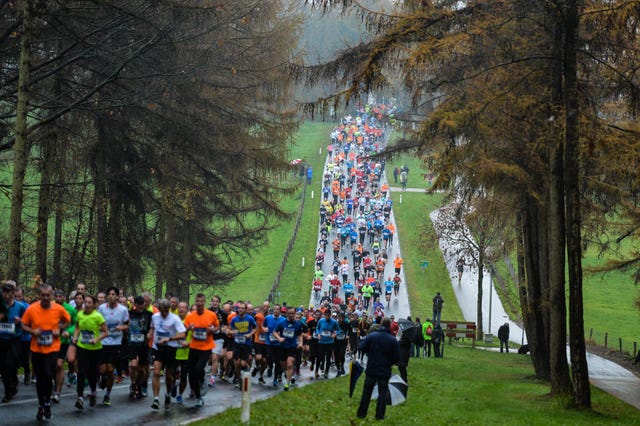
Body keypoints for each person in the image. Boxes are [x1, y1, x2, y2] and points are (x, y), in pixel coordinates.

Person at [21, 284, 71, 420]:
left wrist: (59, 329)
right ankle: (41, 405)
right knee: (40, 378)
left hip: (53, 348)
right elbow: (23, 324)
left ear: (52, 296)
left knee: (48, 375)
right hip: (36, 348)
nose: (45, 298)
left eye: (48, 295)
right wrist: (32, 331)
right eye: (43, 295)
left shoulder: (58, 309)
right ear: (39, 296)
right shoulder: (32, 309)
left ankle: (47, 403)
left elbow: (68, 320)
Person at [357, 317, 400, 420]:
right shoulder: (393, 340)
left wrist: (369, 352)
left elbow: (362, 347)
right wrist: (390, 362)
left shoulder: (372, 336)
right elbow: (397, 357)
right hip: (384, 370)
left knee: (366, 392)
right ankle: (379, 415)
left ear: (380, 324)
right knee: (382, 394)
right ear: (389, 325)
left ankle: (361, 413)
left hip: (372, 368)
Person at [148, 299, 186, 410]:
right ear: (159, 309)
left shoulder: (174, 319)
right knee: (156, 372)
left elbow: (183, 334)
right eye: (162, 311)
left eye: (166, 310)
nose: (164, 313)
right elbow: (152, 327)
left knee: (169, 375)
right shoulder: (155, 317)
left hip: (170, 348)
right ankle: (156, 399)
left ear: (168, 309)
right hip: (157, 347)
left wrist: (169, 338)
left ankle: (168, 394)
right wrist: (150, 334)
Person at [73, 294, 108, 410]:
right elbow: (77, 327)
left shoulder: (98, 316)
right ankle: (80, 397)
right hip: (82, 346)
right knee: (81, 372)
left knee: (92, 373)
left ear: (94, 305)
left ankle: (93, 392)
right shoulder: (79, 314)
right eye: (85, 302)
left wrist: (96, 339)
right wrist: (75, 336)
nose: (87, 305)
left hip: (95, 349)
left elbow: (106, 332)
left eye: (89, 303)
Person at [184, 293, 219, 406]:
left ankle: (202, 380)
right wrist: (189, 328)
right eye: (197, 301)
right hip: (194, 346)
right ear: (195, 302)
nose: (199, 303)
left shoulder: (211, 314)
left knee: (198, 369)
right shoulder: (190, 315)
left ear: (204, 302)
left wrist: (212, 330)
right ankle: (198, 396)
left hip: (206, 347)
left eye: (201, 301)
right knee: (191, 372)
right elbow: (184, 327)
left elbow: (217, 326)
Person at [97, 286, 129, 406]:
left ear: (117, 296)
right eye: (109, 294)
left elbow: (127, 325)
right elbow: (96, 322)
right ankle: (101, 378)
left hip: (116, 343)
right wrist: (102, 328)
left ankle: (107, 395)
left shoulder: (123, 310)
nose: (111, 296)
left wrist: (121, 327)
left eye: (113, 294)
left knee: (110, 369)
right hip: (103, 342)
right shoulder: (101, 308)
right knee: (102, 369)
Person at [0, 280, 27, 403]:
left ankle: (13, 382)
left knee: (11, 364)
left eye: (8, 293)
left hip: (15, 339)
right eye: (4, 292)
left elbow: (28, 321)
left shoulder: (20, 306)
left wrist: (20, 321)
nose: (6, 295)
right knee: (3, 367)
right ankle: (8, 392)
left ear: (13, 293)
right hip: (2, 339)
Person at [52, 289, 76, 404]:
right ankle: (54, 382)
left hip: (64, 341)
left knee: (60, 364)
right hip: (50, 341)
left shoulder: (70, 309)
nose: (58, 298)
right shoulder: (49, 307)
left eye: (60, 296)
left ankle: (57, 392)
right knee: (52, 367)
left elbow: (76, 324)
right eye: (56, 296)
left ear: (64, 297)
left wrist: (69, 332)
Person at [126, 295, 153, 399]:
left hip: (144, 344)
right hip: (132, 343)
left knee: (142, 369)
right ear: (134, 304)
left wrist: (150, 333)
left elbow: (152, 327)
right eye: (139, 304)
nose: (141, 306)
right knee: (133, 365)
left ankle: (140, 386)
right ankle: (133, 385)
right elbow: (125, 323)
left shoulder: (149, 315)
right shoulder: (129, 314)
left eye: (142, 304)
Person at [273, 307, 303, 391]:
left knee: (290, 364)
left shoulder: (297, 324)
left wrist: (300, 343)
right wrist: (279, 338)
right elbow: (274, 332)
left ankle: (287, 383)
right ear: (287, 314)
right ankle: (286, 373)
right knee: (283, 364)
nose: (291, 315)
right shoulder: (282, 323)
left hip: (292, 347)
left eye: (292, 313)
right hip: (282, 347)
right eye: (289, 313)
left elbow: (300, 335)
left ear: (295, 313)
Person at [314, 309, 338, 379]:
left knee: (328, 358)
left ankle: (326, 372)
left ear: (330, 315)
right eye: (326, 315)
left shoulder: (334, 322)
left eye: (328, 315)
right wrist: (318, 334)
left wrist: (335, 334)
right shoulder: (321, 321)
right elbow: (317, 328)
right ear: (324, 315)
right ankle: (316, 371)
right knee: (320, 357)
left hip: (330, 342)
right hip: (321, 342)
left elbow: (338, 330)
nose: (327, 317)